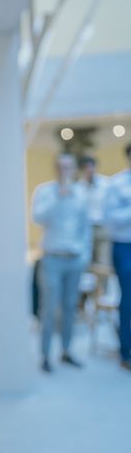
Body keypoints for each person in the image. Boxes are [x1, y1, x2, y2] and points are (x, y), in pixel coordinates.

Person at [32, 153, 91, 373]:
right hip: (52, 258)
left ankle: (66, 350)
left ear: (74, 169)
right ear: (55, 169)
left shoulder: (81, 194)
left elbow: (85, 228)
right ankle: (45, 355)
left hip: (75, 260)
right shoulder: (45, 192)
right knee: (48, 309)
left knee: (69, 308)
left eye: (68, 167)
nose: (64, 171)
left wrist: (85, 255)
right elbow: (38, 218)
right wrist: (59, 197)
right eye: (61, 167)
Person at [104, 143, 131, 371]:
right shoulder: (117, 184)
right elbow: (110, 220)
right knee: (128, 300)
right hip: (124, 246)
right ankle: (126, 352)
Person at [78, 155, 110, 266]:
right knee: (86, 262)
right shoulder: (78, 188)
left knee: (104, 262)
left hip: (103, 227)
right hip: (86, 229)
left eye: (92, 166)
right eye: (86, 167)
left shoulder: (106, 184)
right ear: (82, 169)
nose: (89, 170)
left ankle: (101, 284)